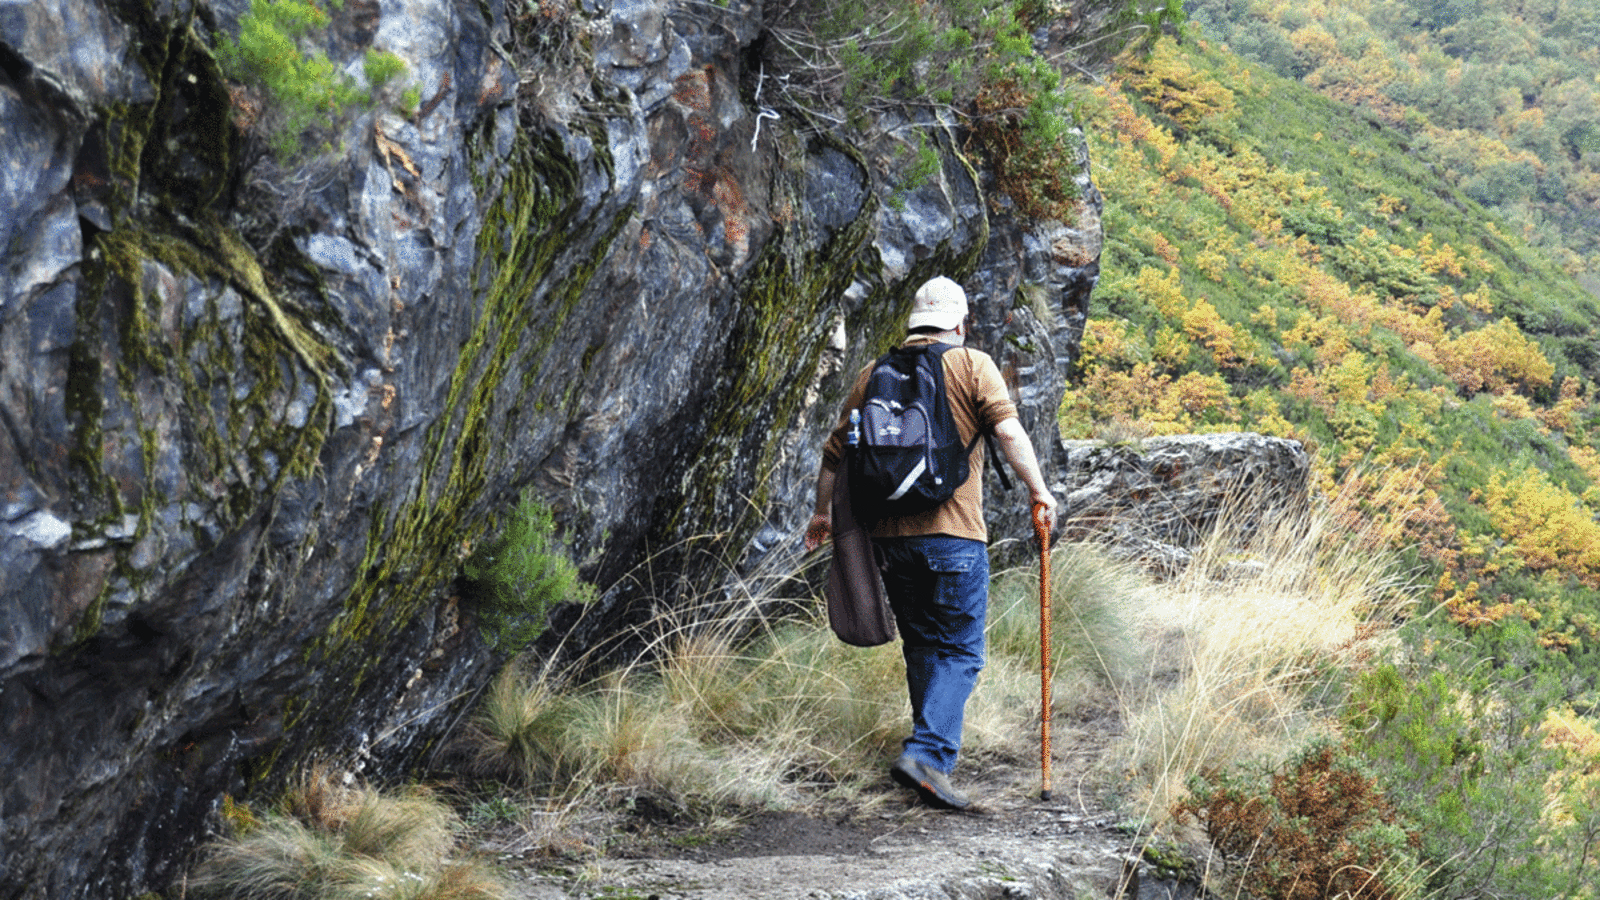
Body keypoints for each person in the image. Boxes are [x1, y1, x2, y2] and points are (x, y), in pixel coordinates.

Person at [804, 275, 1058, 810]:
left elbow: (834, 455)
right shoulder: (971, 364)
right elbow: (1009, 433)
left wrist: (822, 514)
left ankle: (925, 767)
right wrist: (1040, 491)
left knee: (922, 646)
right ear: (960, 324)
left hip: (891, 542)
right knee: (962, 649)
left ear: (915, 323)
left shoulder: (873, 373)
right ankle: (929, 753)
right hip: (955, 536)